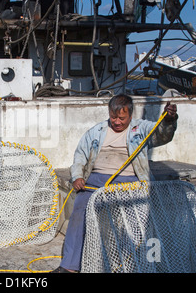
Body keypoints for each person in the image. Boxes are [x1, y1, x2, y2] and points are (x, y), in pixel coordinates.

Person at [52, 94, 178, 273]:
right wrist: (77, 176)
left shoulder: (141, 128)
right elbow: (80, 155)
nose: (117, 121)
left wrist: (169, 120)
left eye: (122, 118)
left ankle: (135, 263)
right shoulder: (97, 131)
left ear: (130, 115)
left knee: (137, 218)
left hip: (129, 182)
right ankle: (70, 266)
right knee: (79, 210)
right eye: (113, 117)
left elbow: (162, 135)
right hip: (95, 180)